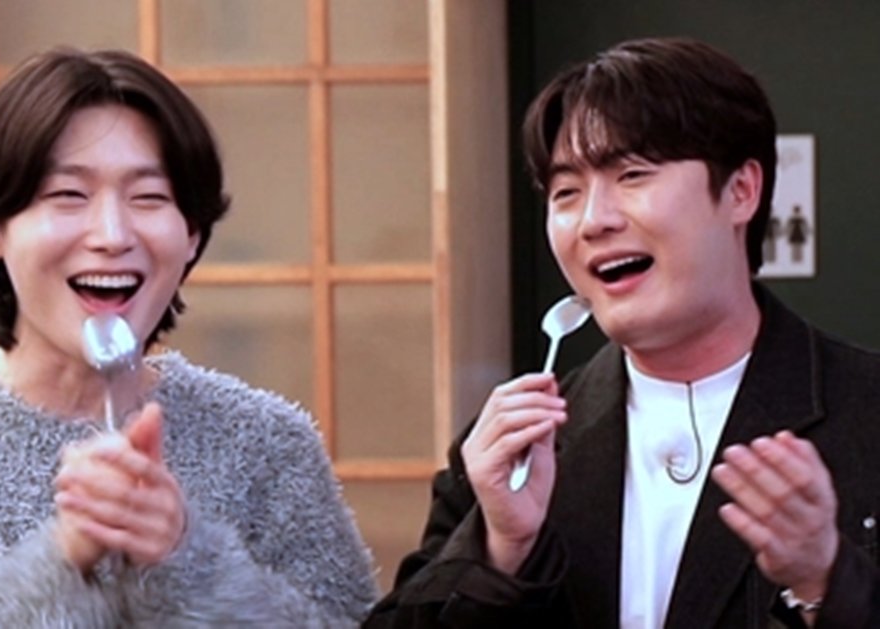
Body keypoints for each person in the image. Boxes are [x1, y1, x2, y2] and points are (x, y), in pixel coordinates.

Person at [366, 38, 878, 628]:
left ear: (741, 190)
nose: (594, 220)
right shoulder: (512, 452)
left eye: (632, 175)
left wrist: (825, 581)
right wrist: (501, 552)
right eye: (566, 193)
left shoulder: (865, 413)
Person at [0, 48, 376, 626]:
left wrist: (187, 557)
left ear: (191, 235)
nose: (113, 235)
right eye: (68, 195)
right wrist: (63, 561)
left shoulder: (269, 446)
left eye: (148, 198)